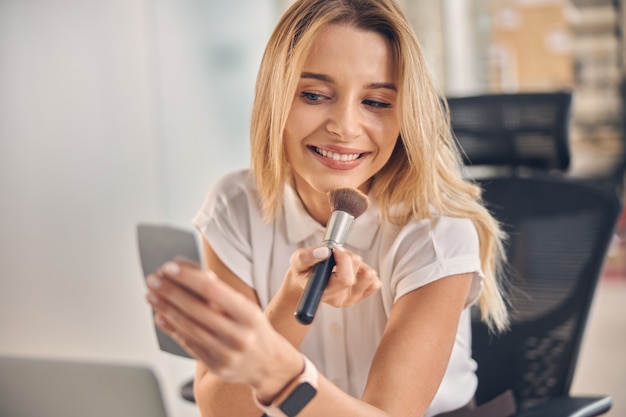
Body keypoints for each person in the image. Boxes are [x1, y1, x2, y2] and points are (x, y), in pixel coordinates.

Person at [145, 0, 509, 416]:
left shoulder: (438, 230)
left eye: (375, 102)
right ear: (275, 98)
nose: (345, 127)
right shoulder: (235, 207)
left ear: (406, 114)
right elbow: (224, 410)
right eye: (315, 95)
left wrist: (280, 373)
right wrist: (291, 303)